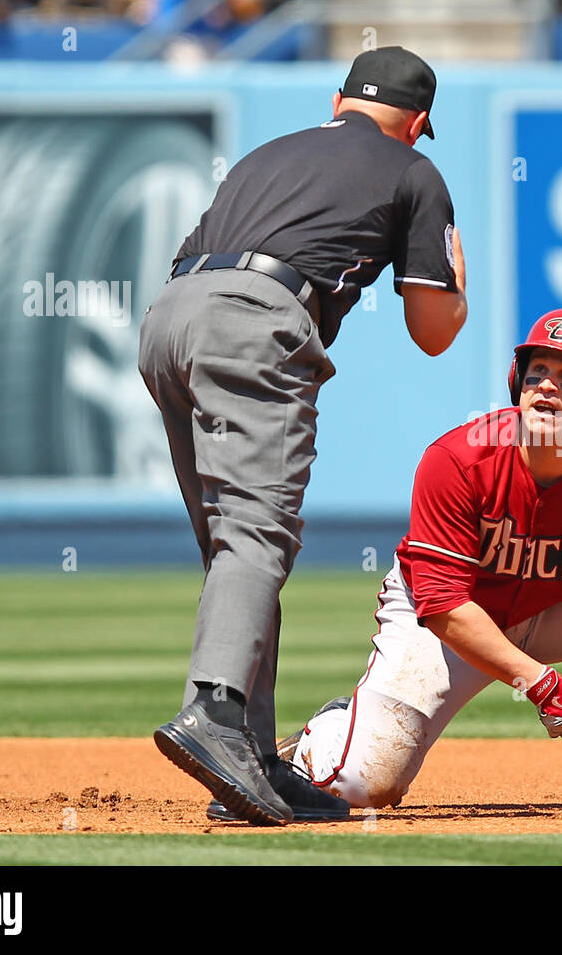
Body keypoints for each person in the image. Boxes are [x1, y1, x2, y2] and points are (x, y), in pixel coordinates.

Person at [206, 309, 562, 820]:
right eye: (536, 375)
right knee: (364, 783)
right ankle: (320, 742)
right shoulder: (458, 460)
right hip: (445, 622)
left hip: (551, 610)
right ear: (516, 385)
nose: (547, 389)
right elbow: (445, 606)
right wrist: (538, 681)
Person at [140, 46, 468, 826]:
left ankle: (247, 759)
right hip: (256, 321)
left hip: (170, 320)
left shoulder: (269, 154)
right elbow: (433, 331)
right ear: (417, 122)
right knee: (258, 536)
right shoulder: (412, 170)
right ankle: (215, 716)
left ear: (338, 100)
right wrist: (458, 278)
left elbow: (195, 256)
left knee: (233, 546)